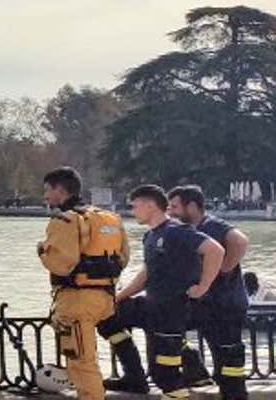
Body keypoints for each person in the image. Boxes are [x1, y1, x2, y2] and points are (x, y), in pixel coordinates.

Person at [98, 185, 225, 399]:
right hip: (152, 306)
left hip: (172, 311)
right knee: (108, 317)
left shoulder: (176, 230)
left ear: (150, 206)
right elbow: (146, 274)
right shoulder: (150, 236)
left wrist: (203, 286)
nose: (132, 211)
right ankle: (134, 376)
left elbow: (215, 250)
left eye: (135, 206)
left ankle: (185, 376)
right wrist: (119, 297)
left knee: (165, 375)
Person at [36, 167, 128, 400]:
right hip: (105, 298)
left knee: (81, 363)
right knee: (89, 358)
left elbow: (61, 263)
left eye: (47, 190)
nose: (45, 196)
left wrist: (42, 250)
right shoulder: (109, 218)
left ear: (60, 190)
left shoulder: (66, 219)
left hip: (76, 300)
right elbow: (124, 257)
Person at [168, 186, 250, 400]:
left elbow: (240, 241)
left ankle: (231, 392)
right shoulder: (186, 232)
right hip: (206, 305)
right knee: (167, 326)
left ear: (192, 206)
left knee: (229, 363)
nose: (170, 212)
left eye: (175, 207)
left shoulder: (211, 225)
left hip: (226, 306)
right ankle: (195, 367)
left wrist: (224, 269)